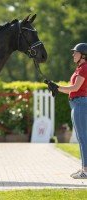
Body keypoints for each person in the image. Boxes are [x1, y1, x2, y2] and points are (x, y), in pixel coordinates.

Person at [46, 43, 87, 179]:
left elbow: (75, 88)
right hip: (77, 104)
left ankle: (85, 171)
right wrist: (56, 87)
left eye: (75, 52)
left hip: (80, 104)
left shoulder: (84, 68)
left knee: (83, 138)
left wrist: (57, 88)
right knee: (82, 138)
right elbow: (72, 88)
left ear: (83, 55)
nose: (73, 55)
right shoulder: (79, 68)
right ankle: (84, 168)